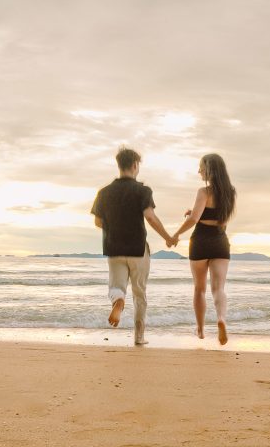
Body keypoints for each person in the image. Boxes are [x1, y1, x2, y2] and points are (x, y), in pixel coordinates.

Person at [91, 147, 176, 345]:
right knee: (139, 293)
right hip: (138, 249)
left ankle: (118, 302)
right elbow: (150, 217)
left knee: (116, 286)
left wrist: (116, 226)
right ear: (135, 165)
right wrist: (167, 237)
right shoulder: (142, 191)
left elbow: (97, 222)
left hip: (114, 248)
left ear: (119, 165)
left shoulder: (104, 192)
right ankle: (139, 336)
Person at [171, 153, 236, 345]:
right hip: (219, 241)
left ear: (209, 169)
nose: (199, 171)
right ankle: (221, 319)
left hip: (200, 241)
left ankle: (200, 330)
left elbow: (194, 220)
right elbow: (222, 222)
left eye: (201, 167)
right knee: (218, 288)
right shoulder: (230, 192)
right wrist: (197, 212)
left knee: (199, 289)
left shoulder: (204, 191)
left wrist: (175, 235)